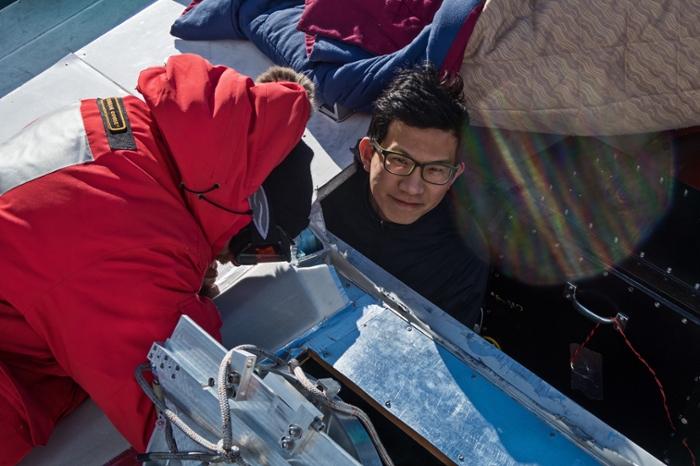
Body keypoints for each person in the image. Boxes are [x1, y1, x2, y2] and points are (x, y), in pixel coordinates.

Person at [0, 54, 315, 465]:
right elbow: (178, 409)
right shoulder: (134, 250)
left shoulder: (126, 123)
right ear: (245, 208)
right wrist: (178, 291)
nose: (234, 262)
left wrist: (183, 259)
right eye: (250, 249)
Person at [321, 63, 489, 329]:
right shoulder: (322, 194)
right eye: (399, 160)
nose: (412, 187)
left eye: (435, 169)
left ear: (453, 177)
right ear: (367, 155)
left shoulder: (465, 251)